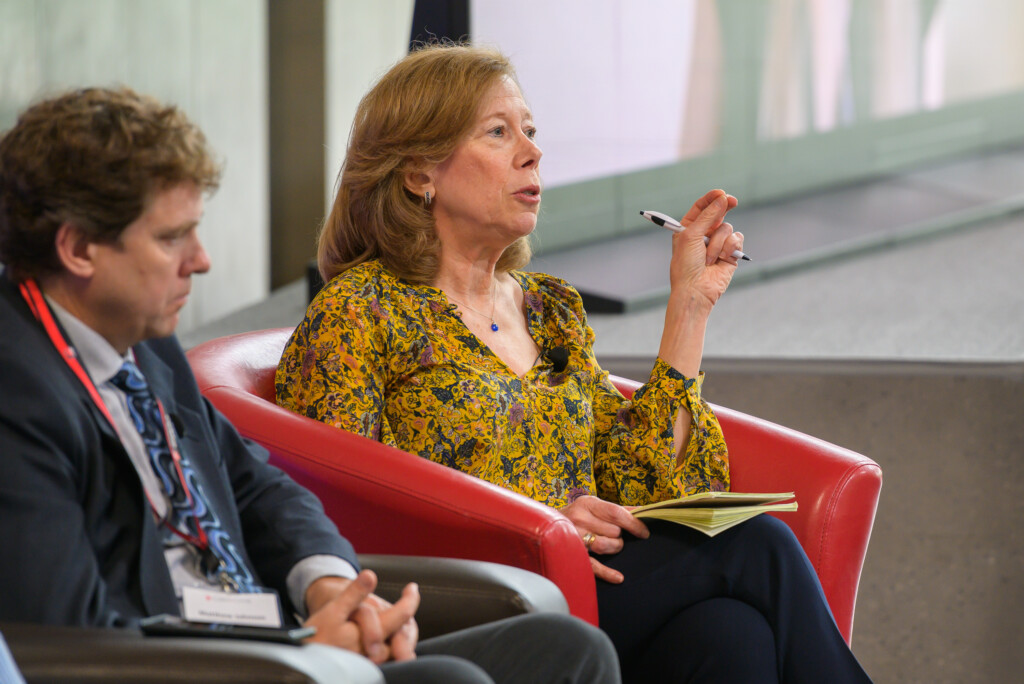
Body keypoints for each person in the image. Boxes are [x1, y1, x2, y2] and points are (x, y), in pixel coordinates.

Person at [275, 43, 874, 683]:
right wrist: (542, 514)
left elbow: (648, 489)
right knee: (759, 547)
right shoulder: (360, 311)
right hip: (476, 593)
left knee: (731, 633)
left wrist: (688, 309)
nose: (532, 152)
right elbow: (348, 499)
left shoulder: (548, 308)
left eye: (530, 131)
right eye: (499, 133)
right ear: (421, 173)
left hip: (586, 574)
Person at [0, 86, 621, 684]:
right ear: (78, 248)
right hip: (199, 663)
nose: (202, 259)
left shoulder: (142, 341)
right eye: (170, 238)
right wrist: (286, 653)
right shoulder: (19, 393)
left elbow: (259, 488)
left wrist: (330, 590)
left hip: (274, 637)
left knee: (565, 649)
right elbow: (72, 631)